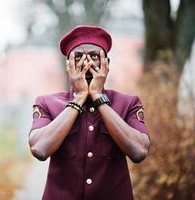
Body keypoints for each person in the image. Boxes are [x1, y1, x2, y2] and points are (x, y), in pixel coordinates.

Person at [28, 25, 151, 200]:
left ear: (106, 64)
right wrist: (78, 99)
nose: (87, 64)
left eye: (94, 56)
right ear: (68, 65)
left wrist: (98, 98)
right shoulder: (46, 103)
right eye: (78, 57)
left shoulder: (128, 103)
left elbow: (139, 151)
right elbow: (40, 149)